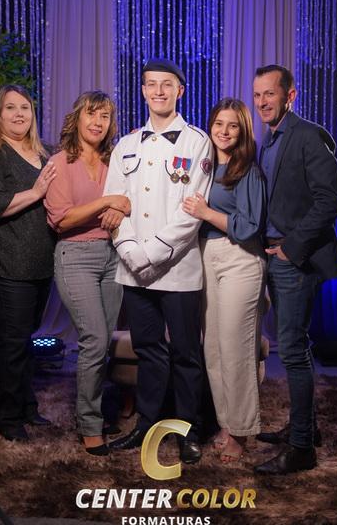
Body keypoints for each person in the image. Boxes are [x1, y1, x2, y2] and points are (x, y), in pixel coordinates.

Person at [103, 58, 213, 463]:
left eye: (167, 85)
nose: (159, 92)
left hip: (178, 269)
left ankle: (188, 430)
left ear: (180, 91)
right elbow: (114, 205)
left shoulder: (197, 142)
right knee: (148, 349)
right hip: (133, 270)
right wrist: (131, 253)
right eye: (151, 84)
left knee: (185, 352)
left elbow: (192, 213)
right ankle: (146, 425)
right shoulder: (126, 145)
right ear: (144, 91)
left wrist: (148, 255)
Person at [253, 64, 337, 474]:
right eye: (257, 95)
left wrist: (291, 249)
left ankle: (302, 448)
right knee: (295, 346)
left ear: (290, 95)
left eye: (270, 94)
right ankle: (303, 427)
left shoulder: (309, 135)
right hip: (276, 256)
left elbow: (331, 199)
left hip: (296, 259)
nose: (262, 102)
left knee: (292, 349)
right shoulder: (269, 140)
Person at [0, 84, 57, 442]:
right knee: (13, 339)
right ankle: (9, 415)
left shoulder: (43, 151)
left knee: (26, 336)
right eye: (10, 108)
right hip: (7, 259)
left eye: (25, 107)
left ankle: (27, 403)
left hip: (40, 259)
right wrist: (35, 192)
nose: (19, 114)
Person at [44, 90, 130, 456]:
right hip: (75, 256)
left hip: (114, 256)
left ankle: (100, 410)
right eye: (91, 114)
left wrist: (120, 208)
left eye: (105, 116)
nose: (97, 122)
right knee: (94, 338)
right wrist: (107, 202)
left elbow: (130, 200)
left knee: (104, 340)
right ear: (77, 118)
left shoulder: (117, 161)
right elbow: (62, 219)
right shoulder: (60, 162)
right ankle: (90, 424)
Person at [182, 98, 266, 463]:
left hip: (240, 259)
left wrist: (205, 212)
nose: (224, 131)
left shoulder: (248, 170)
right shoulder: (203, 166)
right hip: (206, 255)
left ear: (242, 130)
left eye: (233, 125)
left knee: (236, 349)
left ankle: (242, 431)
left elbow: (249, 227)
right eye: (219, 124)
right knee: (213, 350)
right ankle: (227, 424)